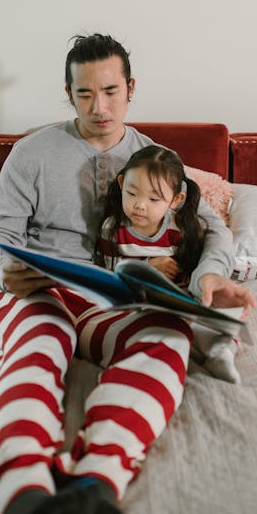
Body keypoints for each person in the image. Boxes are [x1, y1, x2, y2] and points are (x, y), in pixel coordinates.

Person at [0, 33, 255, 514]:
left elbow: (212, 228)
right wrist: (3, 270)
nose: (98, 107)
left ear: (130, 89)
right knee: (37, 348)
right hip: (41, 288)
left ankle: (95, 486)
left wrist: (211, 275)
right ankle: (21, 502)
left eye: (110, 91)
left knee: (168, 337)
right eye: (84, 94)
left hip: (112, 298)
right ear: (68, 92)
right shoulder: (30, 153)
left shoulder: (157, 161)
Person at [95, 144, 242, 384]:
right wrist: (148, 266)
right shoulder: (112, 229)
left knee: (224, 312)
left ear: (176, 200)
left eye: (154, 198)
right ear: (121, 184)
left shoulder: (181, 229)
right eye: (132, 194)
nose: (140, 205)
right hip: (139, 302)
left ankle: (222, 352)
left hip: (182, 298)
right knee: (149, 327)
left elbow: (196, 266)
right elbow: (111, 271)